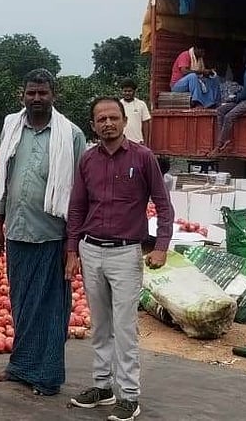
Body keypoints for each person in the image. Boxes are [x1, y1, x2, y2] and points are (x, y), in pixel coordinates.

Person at [65, 97, 174, 421]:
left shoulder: (143, 158)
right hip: (91, 250)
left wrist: (161, 246)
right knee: (100, 325)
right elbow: (77, 207)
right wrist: (72, 250)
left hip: (126, 253)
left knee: (125, 327)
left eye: (114, 117)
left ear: (125, 121)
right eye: (101, 119)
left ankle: (128, 395)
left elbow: (163, 204)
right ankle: (102, 386)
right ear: (93, 125)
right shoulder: (87, 160)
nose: (108, 123)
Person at [0, 69, 85, 396]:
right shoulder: (12, 127)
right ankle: (20, 367)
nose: (36, 98)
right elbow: (3, 177)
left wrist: (72, 246)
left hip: (52, 236)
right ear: (23, 95)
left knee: (51, 308)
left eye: (43, 93)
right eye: (31, 93)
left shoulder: (70, 135)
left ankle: (47, 376)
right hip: (17, 231)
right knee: (22, 304)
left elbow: (78, 193)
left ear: (53, 95)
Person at [212, 46, 246, 155]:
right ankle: (224, 139)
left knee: (229, 116)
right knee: (220, 110)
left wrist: (235, 98)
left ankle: (219, 145)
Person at [119, 79, 151, 144]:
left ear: (134, 91)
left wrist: (146, 143)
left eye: (129, 91)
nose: (127, 93)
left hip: (137, 142)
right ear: (122, 91)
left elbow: (145, 124)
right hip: (121, 142)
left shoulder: (141, 104)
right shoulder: (118, 105)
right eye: (125, 91)